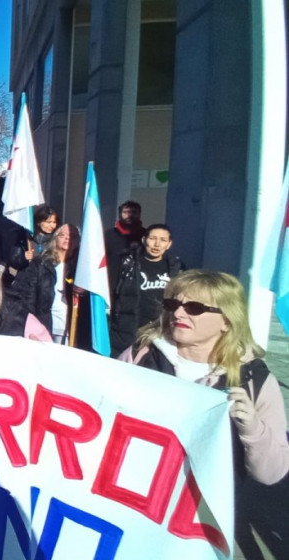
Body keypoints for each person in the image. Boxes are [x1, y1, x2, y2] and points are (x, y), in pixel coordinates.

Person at [119, 270, 289, 558]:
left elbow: (272, 473)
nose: (179, 312)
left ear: (226, 320)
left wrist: (253, 430)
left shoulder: (255, 379)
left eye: (195, 307)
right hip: (134, 502)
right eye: (173, 304)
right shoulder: (141, 355)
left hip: (201, 520)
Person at [109, 224, 185, 356]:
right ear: (144, 240)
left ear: (169, 244)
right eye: (153, 238)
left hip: (160, 331)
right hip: (126, 331)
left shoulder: (176, 267)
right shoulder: (126, 262)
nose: (157, 244)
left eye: (163, 240)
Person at [9, 224, 83, 344]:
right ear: (55, 238)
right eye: (63, 235)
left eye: (73, 236)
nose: (68, 239)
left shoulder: (81, 268)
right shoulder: (41, 264)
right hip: (46, 326)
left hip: (72, 327)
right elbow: (28, 297)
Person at [104, 200, 145, 283]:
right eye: (125, 212)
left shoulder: (147, 236)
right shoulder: (107, 235)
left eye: (134, 212)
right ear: (119, 214)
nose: (129, 215)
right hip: (111, 282)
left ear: (139, 214)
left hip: (139, 282)